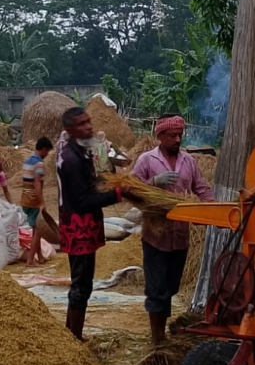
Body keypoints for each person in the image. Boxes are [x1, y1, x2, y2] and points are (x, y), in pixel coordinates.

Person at [131, 114, 216, 344]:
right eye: (172, 135)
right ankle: (157, 339)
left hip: (180, 236)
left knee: (171, 286)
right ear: (160, 136)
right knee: (156, 288)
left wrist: (215, 209)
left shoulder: (188, 162)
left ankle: (163, 332)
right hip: (155, 236)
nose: (177, 139)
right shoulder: (147, 160)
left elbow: (202, 189)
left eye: (179, 135)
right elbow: (131, 190)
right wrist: (154, 183)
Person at [56, 106, 122, 340]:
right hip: (79, 230)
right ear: (70, 130)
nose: (89, 127)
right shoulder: (71, 159)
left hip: (84, 228)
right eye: (82, 124)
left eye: (88, 122)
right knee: (81, 286)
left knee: (81, 284)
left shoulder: (80, 153)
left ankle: (70, 334)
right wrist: (116, 194)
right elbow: (83, 201)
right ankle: (75, 338)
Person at [21, 137, 54, 265]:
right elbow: (37, 184)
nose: (47, 155)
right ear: (44, 149)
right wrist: (42, 202)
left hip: (25, 198)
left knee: (36, 229)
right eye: (47, 152)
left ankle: (40, 257)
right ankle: (30, 260)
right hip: (34, 199)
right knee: (38, 231)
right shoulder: (39, 164)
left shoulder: (27, 161)